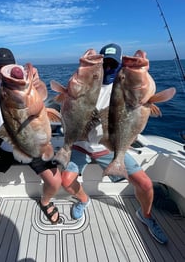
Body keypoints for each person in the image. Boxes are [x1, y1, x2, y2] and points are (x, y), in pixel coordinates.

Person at [60, 43, 168, 244]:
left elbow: (145, 94)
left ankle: (145, 215)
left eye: (113, 64)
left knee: (145, 184)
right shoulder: (89, 82)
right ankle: (84, 199)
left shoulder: (123, 86)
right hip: (82, 145)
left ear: (120, 67)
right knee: (65, 181)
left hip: (109, 146)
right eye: (105, 63)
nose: (109, 68)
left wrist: (141, 74)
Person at [0, 48, 61, 243]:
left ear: (14, 66)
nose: (2, 71)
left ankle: (45, 201)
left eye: (5, 66)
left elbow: (41, 94)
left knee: (55, 181)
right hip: (5, 146)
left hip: (33, 144)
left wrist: (38, 83)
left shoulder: (27, 83)